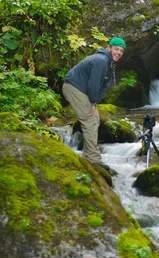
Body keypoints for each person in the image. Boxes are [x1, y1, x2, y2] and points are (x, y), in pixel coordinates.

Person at [62, 37, 126, 170]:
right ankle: (93, 159)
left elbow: (101, 87)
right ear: (109, 48)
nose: (118, 53)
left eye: (121, 51)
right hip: (74, 88)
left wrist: (93, 103)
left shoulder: (108, 63)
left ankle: (87, 155)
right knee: (89, 120)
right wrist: (92, 103)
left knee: (94, 120)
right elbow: (93, 85)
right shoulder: (101, 61)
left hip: (81, 90)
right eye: (116, 49)